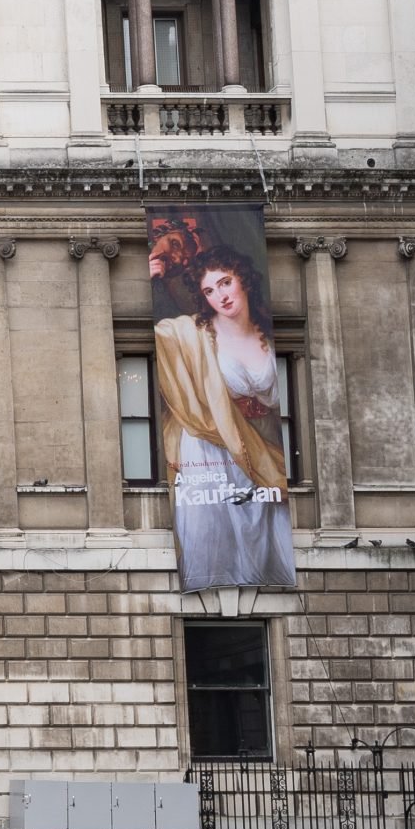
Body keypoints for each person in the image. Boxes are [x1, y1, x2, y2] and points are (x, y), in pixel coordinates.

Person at [153, 245, 295, 590]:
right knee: (212, 538)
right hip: (210, 449)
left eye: (225, 282)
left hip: (262, 449)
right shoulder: (196, 333)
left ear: (242, 279)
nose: (221, 296)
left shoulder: (268, 333)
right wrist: (154, 277)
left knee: (263, 538)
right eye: (209, 291)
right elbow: (160, 336)